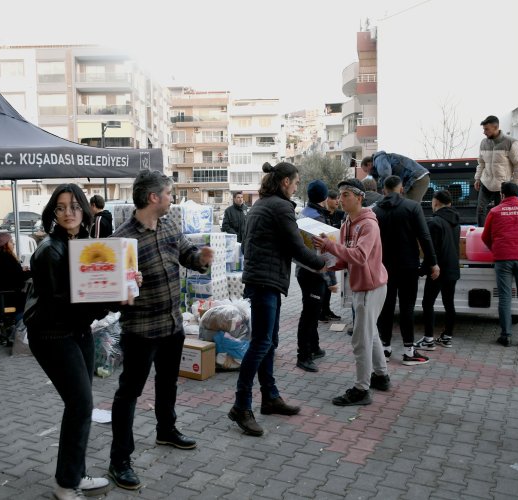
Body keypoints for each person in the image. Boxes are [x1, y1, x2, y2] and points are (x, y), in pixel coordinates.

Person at [107, 170, 213, 491]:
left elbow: (186, 255)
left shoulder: (169, 224)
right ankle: (120, 460)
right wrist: (124, 285)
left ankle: (166, 430)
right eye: (169, 194)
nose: (172, 198)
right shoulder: (122, 239)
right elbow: (111, 293)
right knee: (129, 393)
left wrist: (201, 258)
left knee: (168, 382)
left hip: (172, 324)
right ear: (154, 197)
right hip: (140, 329)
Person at [23, 184, 116, 500]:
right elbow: (65, 302)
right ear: (53, 212)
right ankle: (65, 483)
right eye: (60, 207)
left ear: (85, 210)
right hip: (51, 334)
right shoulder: (50, 250)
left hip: (78, 331)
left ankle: (75, 473)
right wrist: (110, 295)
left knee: (81, 404)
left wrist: (123, 283)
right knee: (80, 403)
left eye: (74, 206)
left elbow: (92, 298)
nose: (68, 213)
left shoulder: (85, 246)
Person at [228, 162, 326, 437]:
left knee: (269, 342)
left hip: (262, 279)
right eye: (295, 183)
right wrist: (321, 263)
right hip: (266, 282)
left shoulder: (261, 204)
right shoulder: (281, 207)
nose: (296, 188)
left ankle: (269, 397)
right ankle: (240, 406)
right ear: (285, 182)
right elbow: (295, 245)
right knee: (261, 344)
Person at [313, 178, 390, 406]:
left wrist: (328, 247)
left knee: (360, 340)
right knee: (370, 333)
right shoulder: (347, 222)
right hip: (363, 286)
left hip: (370, 287)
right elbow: (346, 257)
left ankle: (361, 389)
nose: (341, 199)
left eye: (346, 194)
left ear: (359, 197)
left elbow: (359, 256)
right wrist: (329, 265)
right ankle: (381, 376)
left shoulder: (369, 225)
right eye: (340, 194)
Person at [373, 175, 439, 365]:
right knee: (407, 308)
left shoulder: (376, 211)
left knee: (386, 307)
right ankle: (409, 351)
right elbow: (424, 236)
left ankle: (385, 347)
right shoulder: (412, 207)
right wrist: (432, 262)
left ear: (384, 190)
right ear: (401, 188)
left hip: (384, 266)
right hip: (408, 266)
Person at [481, 182, 518, 348]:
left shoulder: (495, 211)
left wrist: (497, 249)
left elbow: (485, 236)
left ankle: (505, 336)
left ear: (502, 194)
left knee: (505, 298)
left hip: (503, 258)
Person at [295, 180, 334, 372]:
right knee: (309, 314)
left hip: (304, 271)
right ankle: (303, 355)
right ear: (324, 198)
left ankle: (314, 347)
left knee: (313, 311)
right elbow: (324, 252)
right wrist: (331, 279)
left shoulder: (305, 213)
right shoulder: (317, 218)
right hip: (313, 272)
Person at [415, 190, 461, 350]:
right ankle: (447, 337)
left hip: (438, 270)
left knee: (428, 303)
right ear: (450, 203)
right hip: (453, 269)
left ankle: (428, 339)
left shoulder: (434, 222)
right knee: (449, 303)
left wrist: (421, 270)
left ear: (435, 202)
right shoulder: (456, 221)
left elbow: (430, 250)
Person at [474, 115, 518, 226]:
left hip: (503, 186)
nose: (484, 132)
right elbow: (481, 163)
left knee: (501, 213)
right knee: (480, 210)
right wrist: (477, 178)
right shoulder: (484, 143)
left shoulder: (511, 142)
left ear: (496, 127)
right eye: (483, 129)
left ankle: (500, 233)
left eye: (486, 129)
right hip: (486, 183)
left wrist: (514, 185)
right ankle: (481, 233)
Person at [0, 232, 30, 310]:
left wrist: (20, 270)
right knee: (33, 298)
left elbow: (6, 273)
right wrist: (34, 271)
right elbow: (20, 277)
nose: (13, 243)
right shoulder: (7, 257)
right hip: (5, 297)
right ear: (5, 245)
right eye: (11, 241)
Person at [360, 151, 430, 202]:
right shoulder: (380, 161)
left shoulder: (379, 159)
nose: (368, 173)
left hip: (417, 178)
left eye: (366, 170)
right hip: (414, 179)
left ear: (369, 164)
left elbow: (385, 174)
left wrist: (384, 191)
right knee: (403, 202)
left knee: (410, 205)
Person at [322, 189, 344, 322]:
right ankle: (322, 311)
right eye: (334, 198)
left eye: (338, 198)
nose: (337, 201)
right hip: (324, 254)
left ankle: (327, 309)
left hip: (335, 253)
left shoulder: (341, 215)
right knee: (325, 283)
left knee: (330, 284)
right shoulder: (323, 215)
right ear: (327, 199)